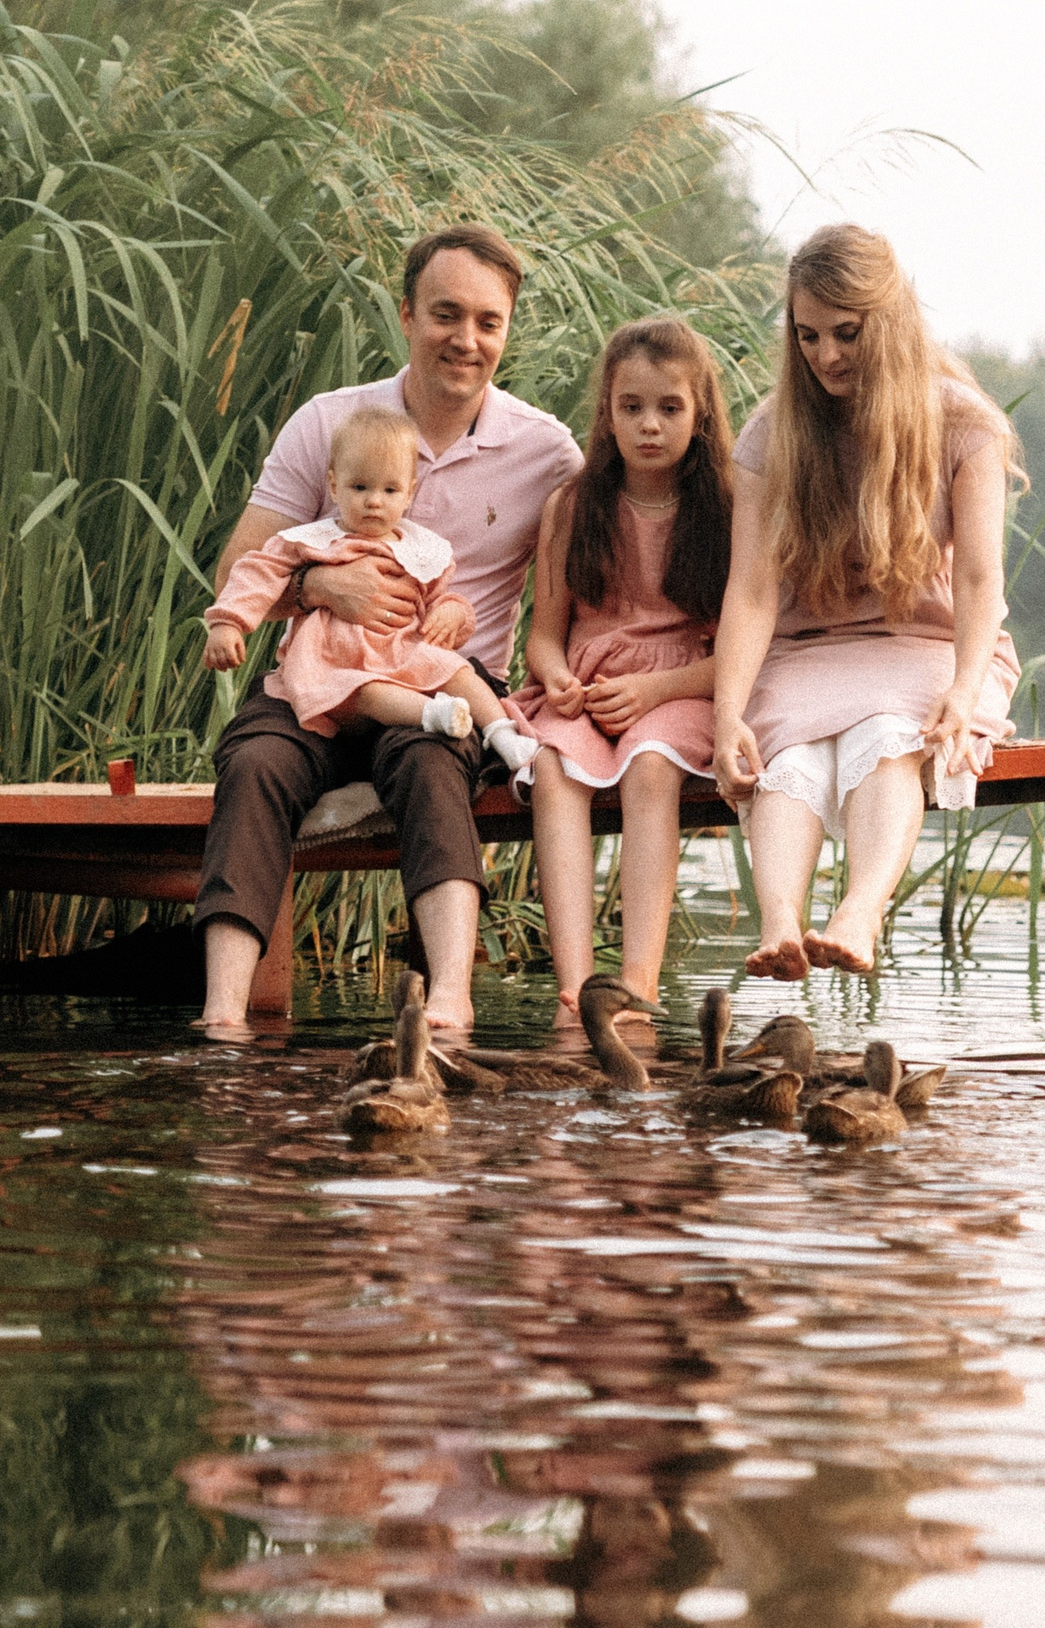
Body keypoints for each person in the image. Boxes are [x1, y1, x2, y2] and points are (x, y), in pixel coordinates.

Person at [193, 223, 582, 1036]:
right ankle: (224, 1011)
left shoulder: (545, 452)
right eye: (446, 314)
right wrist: (319, 585)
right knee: (256, 759)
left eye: (488, 322)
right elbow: (242, 567)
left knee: (432, 755)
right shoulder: (330, 424)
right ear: (406, 315)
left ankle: (450, 996)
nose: (465, 340)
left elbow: (613, 570)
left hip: (442, 686)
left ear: (507, 331)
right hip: (319, 679)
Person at [709, 224, 1022, 980]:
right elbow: (750, 592)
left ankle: (860, 914)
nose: (826, 356)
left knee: (888, 733)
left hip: (929, 646)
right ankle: (781, 922)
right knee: (787, 755)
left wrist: (961, 685)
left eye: (846, 333)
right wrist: (726, 715)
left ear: (888, 321)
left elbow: (981, 580)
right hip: (811, 647)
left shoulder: (964, 425)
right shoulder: (770, 432)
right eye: (807, 335)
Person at [514, 319, 732, 1024]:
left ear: (698, 414)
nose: (649, 426)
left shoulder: (725, 509)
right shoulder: (575, 506)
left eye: (670, 408)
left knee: (650, 764)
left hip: (683, 686)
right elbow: (544, 636)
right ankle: (576, 988)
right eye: (631, 407)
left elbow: (738, 653)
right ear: (607, 412)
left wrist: (656, 689)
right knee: (553, 768)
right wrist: (555, 681)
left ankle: (638, 981)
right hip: (590, 686)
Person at [201, 406, 542, 759]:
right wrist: (228, 623)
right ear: (334, 485)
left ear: (409, 493)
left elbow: (439, 597)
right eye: (360, 487)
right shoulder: (313, 541)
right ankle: (434, 715)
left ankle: (503, 734)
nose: (374, 501)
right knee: (367, 692)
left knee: (459, 671)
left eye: (390, 490)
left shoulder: (420, 548)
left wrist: (453, 613)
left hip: (402, 651)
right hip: (339, 662)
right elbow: (256, 571)